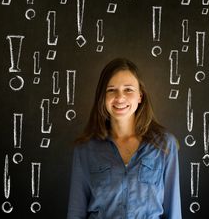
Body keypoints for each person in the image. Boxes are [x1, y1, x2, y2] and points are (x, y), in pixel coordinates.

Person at [67, 57, 182, 219]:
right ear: (103, 97)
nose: (120, 97)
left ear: (140, 95)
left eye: (128, 89)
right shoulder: (85, 148)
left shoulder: (164, 144)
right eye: (111, 90)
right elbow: (75, 213)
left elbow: (174, 212)